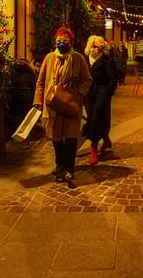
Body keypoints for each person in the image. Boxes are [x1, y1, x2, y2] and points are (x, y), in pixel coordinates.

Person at [33, 27, 92, 183]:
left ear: (70, 42)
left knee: (70, 138)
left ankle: (69, 169)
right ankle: (60, 165)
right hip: (52, 105)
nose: (61, 43)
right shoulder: (49, 58)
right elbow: (40, 82)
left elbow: (87, 80)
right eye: (59, 41)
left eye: (64, 41)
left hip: (71, 104)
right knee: (56, 139)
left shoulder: (78, 58)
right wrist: (38, 101)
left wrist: (79, 94)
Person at [83, 35, 118, 166]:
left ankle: (93, 147)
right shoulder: (85, 60)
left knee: (97, 117)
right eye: (92, 47)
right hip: (88, 92)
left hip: (102, 92)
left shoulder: (107, 60)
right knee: (91, 116)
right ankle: (105, 138)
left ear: (101, 48)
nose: (94, 49)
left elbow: (113, 79)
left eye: (97, 47)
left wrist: (108, 93)